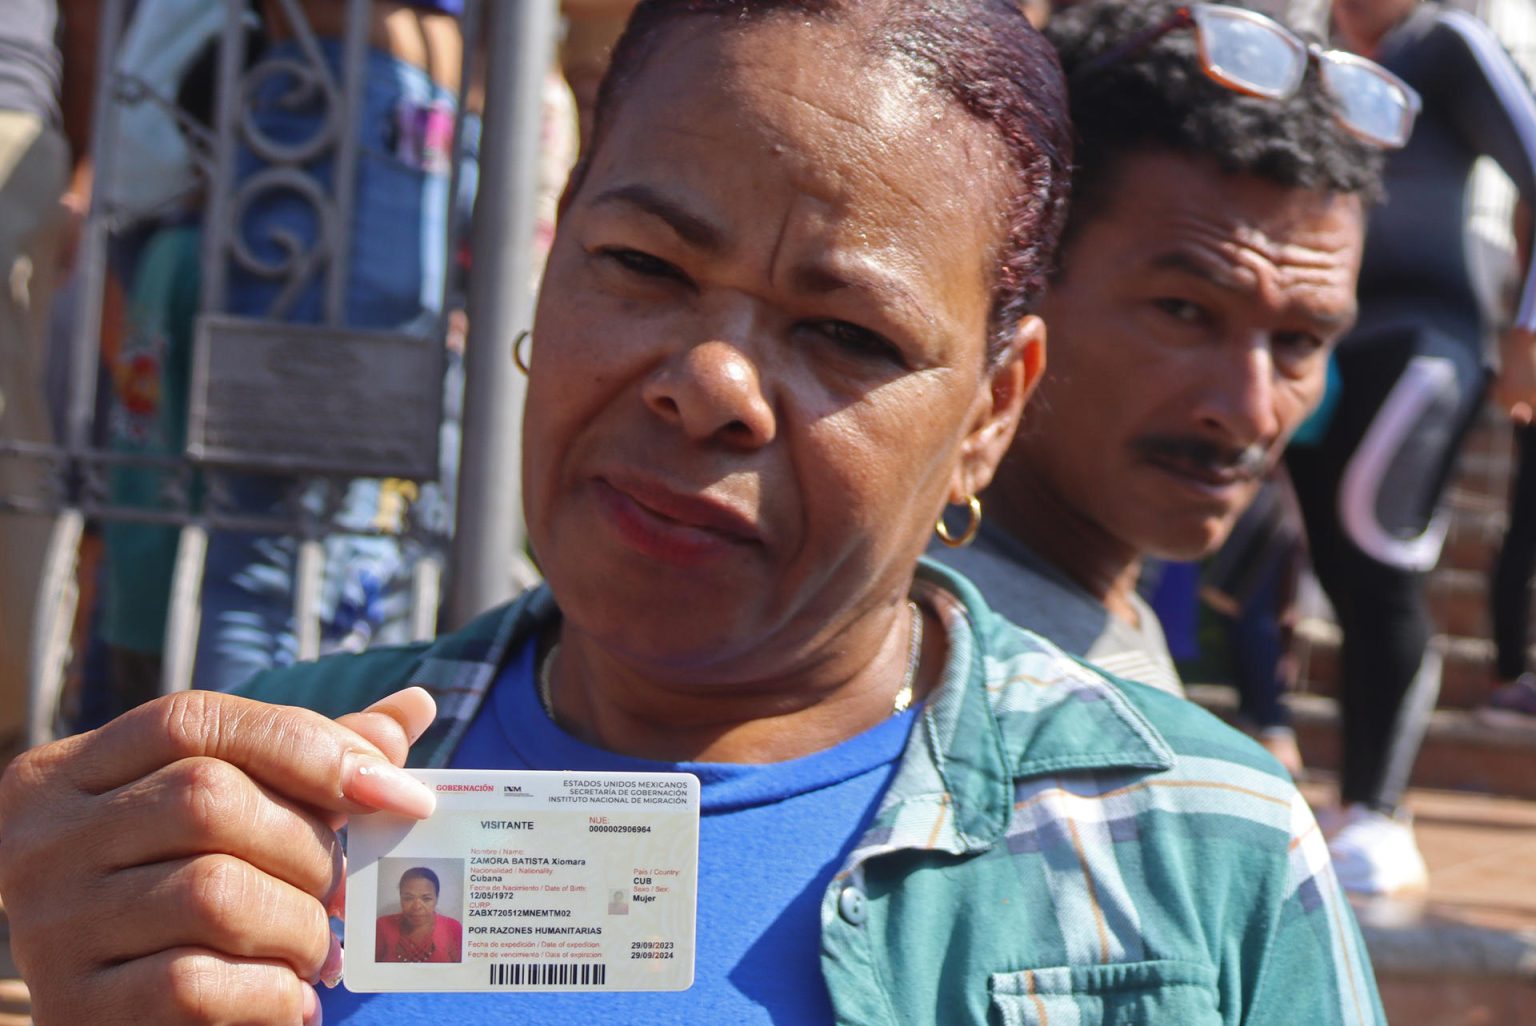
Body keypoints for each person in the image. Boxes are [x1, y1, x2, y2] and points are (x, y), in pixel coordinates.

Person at [0, 2, 1384, 1024]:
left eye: (845, 331)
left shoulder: (1202, 849)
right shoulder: (281, 786)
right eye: (644, 263)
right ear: (546, 266)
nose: (712, 381)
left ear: (992, 410)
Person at [933, 0, 1385, 710]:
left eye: (1299, 342)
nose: (1249, 411)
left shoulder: (1090, 626)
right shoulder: (895, 658)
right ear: (1018, 287)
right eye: (1183, 312)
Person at [1282, 0, 1536, 895]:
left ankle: (1381, 810)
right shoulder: (1306, 47)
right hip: (1324, 338)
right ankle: (1352, 801)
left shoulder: (1447, 45)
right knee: (1341, 574)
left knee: (1381, 551)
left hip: (1428, 334)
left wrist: (1528, 328)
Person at [375, 867, 463, 964]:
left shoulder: (452, 927)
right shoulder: (383, 925)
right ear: (401, 898)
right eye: (408, 898)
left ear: (436, 899)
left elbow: (463, 972)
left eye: (426, 899)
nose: (417, 907)